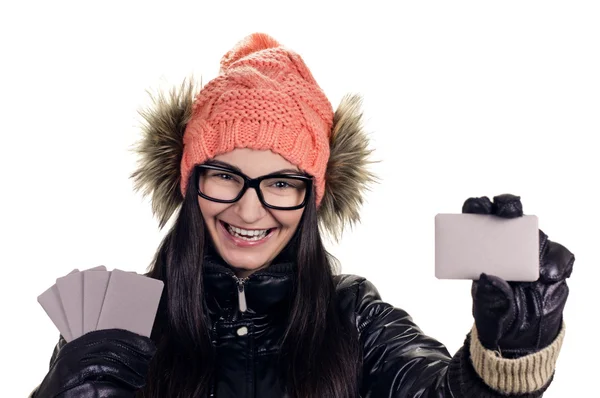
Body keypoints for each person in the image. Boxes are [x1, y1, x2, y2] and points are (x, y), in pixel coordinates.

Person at [30, 33, 574, 398]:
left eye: (282, 182)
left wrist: (509, 357)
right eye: (224, 175)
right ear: (189, 181)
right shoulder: (112, 318)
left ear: (311, 197)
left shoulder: (353, 314)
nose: (249, 207)